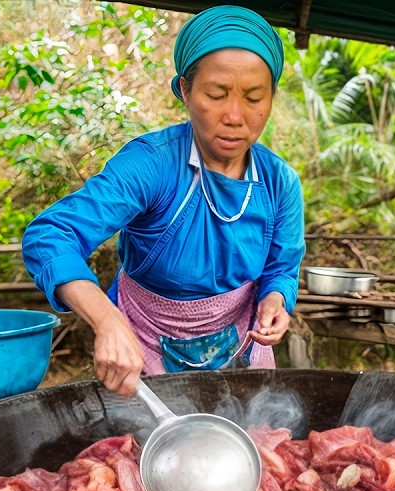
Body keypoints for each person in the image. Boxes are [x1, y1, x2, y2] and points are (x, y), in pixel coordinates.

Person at [22, 5, 304, 394]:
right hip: (143, 345)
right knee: (142, 450)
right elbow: (50, 236)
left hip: (240, 346)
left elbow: (282, 268)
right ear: (185, 91)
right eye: (217, 94)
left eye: (254, 97)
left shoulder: (279, 183)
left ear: (271, 97)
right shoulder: (152, 166)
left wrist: (275, 300)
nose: (236, 116)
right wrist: (106, 320)